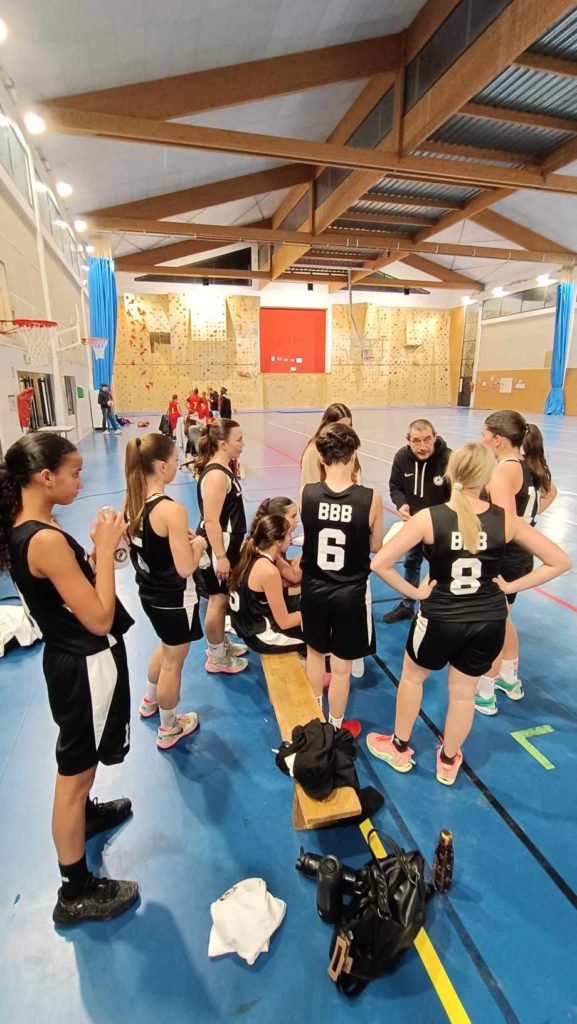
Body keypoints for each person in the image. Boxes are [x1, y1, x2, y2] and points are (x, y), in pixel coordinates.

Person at [367, 443, 570, 786]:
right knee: (463, 693)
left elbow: (380, 563)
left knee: (413, 679)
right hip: (488, 621)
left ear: (451, 474)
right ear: (487, 477)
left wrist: (416, 593)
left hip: (440, 618)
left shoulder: (429, 517)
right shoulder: (505, 520)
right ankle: (448, 760)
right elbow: (560, 561)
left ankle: (399, 747)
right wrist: (510, 586)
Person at [0, 433, 138, 925]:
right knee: (73, 777)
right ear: (45, 477)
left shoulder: (37, 526)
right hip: (83, 663)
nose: (81, 482)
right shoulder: (44, 540)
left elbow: (73, 594)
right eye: (74, 474)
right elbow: (99, 618)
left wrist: (100, 555)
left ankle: (86, 817)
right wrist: (104, 547)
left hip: (73, 659)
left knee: (83, 762)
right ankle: (74, 890)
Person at [125, 433, 208, 750]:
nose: (178, 465)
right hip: (174, 598)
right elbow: (186, 568)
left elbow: (151, 545)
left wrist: (177, 540)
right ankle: (169, 727)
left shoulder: (132, 503)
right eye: (175, 460)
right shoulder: (171, 510)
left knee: (165, 646)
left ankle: (150, 700)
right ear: (161, 466)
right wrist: (198, 544)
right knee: (174, 661)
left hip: (149, 594)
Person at [299, 424, 383, 737]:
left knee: (315, 655)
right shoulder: (371, 498)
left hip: (314, 588)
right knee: (342, 666)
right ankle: (334, 726)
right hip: (350, 591)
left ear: (321, 458)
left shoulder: (306, 493)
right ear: (354, 456)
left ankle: (313, 720)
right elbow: (376, 546)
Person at [475, 410, 558, 715]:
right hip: (521, 556)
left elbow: (505, 524)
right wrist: (529, 520)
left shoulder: (503, 471)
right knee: (504, 618)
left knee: (492, 625)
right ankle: (509, 679)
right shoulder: (528, 464)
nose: (482, 438)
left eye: (484, 434)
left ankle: (486, 691)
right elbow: (551, 492)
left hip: (504, 559)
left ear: (497, 439)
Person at [383, 418, 451, 624]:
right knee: (411, 563)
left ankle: (439, 607)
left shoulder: (449, 459)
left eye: (427, 439)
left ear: (435, 437)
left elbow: (457, 496)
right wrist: (402, 504)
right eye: (416, 441)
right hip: (413, 525)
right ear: (408, 440)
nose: (422, 446)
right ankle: (407, 605)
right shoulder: (401, 458)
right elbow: (395, 487)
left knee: (442, 567)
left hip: (441, 527)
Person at [194, 420, 249, 673]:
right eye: (239, 439)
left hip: (226, 546)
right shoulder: (216, 475)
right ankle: (216, 657)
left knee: (222, 599)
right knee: (217, 602)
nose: (243, 444)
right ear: (223, 444)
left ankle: (221, 644)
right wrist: (221, 556)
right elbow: (211, 521)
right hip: (219, 548)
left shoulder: (224, 470)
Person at [229, 514, 305, 655]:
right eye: (289, 535)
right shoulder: (269, 571)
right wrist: (314, 613)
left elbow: (292, 580)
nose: (291, 539)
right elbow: (285, 622)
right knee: (318, 639)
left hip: (248, 627)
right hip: (263, 636)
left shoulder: (252, 552)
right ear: (278, 541)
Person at [300, 403, 357, 487]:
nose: (345, 432)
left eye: (348, 426)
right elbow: (309, 488)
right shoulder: (313, 451)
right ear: (328, 426)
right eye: (339, 427)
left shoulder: (349, 449)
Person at [250, 496, 302, 587]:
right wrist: (310, 549)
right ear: (279, 518)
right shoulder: (271, 545)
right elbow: (295, 577)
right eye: (293, 516)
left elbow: (285, 569)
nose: (297, 520)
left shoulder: (266, 537)